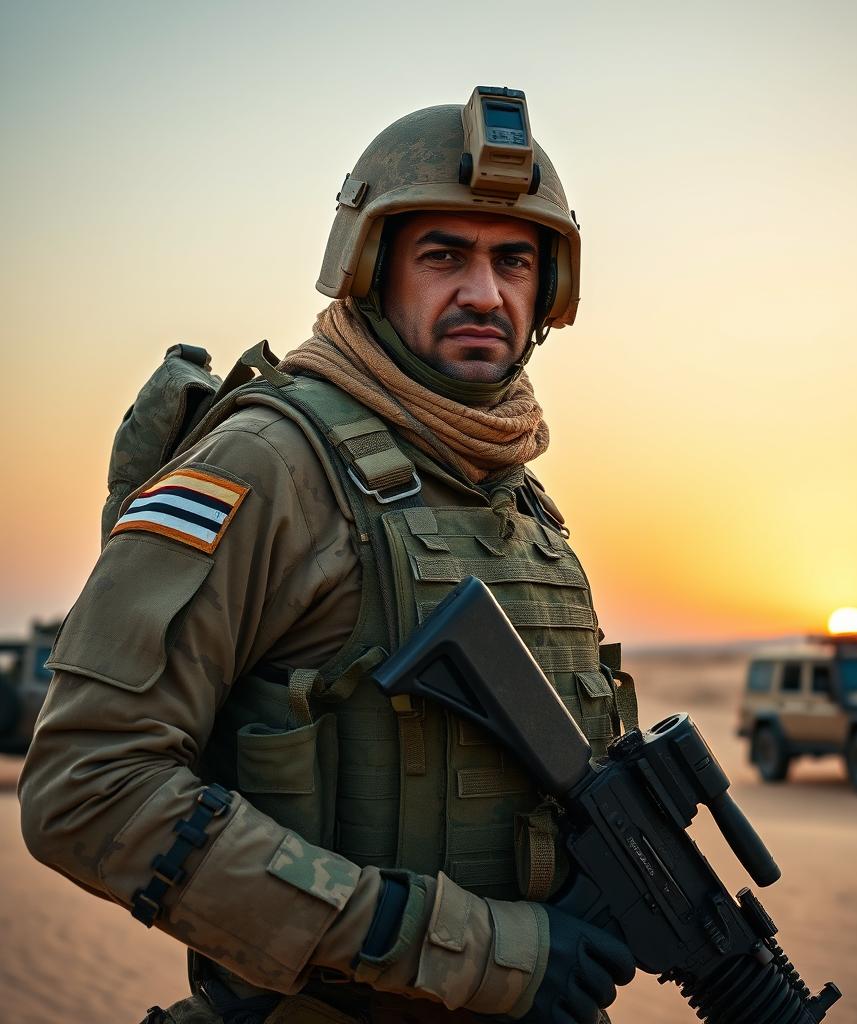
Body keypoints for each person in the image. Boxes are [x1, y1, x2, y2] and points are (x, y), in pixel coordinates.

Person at [19, 87, 637, 1024]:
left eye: (515, 261)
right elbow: (87, 787)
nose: (485, 292)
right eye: (444, 256)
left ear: (548, 291)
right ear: (368, 271)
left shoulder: (512, 492)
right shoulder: (269, 461)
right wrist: (473, 952)